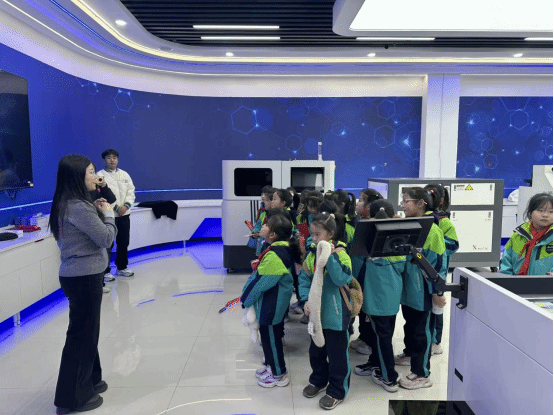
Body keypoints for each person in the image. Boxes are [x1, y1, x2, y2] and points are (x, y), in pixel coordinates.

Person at [49, 154, 117, 414]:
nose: (95, 176)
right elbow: (106, 239)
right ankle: (71, 399)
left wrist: (97, 210)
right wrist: (108, 215)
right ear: (77, 176)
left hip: (80, 276)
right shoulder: (78, 206)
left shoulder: (69, 202)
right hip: (83, 277)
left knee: (88, 333)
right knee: (81, 336)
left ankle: (90, 381)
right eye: (90, 172)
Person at [299, 212, 353, 410]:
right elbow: (304, 280)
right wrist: (305, 300)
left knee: (337, 355)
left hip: (336, 315)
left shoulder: (341, 254)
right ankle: (319, 380)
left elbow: (342, 279)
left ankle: (337, 390)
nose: (313, 239)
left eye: (318, 234)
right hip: (316, 315)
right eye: (312, 234)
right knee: (316, 351)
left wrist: (329, 257)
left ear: (330, 234)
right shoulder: (311, 255)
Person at [240, 214, 302, 388]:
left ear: (272, 234)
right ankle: (270, 366)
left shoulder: (275, 256)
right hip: (273, 302)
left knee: (271, 339)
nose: (263, 226)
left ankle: (278, 373)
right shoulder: (277, 249)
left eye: (266, 225)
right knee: (267, 336)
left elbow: (261, 282)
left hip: (273, 304)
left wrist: (245, 299)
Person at [395, 187, 447, 390]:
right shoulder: (409, 225)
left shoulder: (432, 231)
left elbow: (438, 265)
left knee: (422, 332)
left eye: (407, 201)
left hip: (423, 290)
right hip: (408, 289)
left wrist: (438, 292)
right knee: (410, 325)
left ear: (420, 204)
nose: (403, 205)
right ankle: (409, 355)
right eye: (403, 201)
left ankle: (422, 373)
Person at [355, 200, 406, 393]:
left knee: (383, 337)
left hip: (380, 299)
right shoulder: (400, 239)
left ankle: (389, 377)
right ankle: (375, 363)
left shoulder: (376, 242)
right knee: (381, 335)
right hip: (388, 297)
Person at [424, 184, 459, 356]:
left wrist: (436, 241)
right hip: (424, 270)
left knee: (437, 308)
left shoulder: (444, 221)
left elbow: (453, 245)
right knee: (427, 308)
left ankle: (435, 342)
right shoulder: (423, 219)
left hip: (438, 270)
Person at [350, 188, 384, 355]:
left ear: (369, 207)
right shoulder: (360, 221)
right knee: (362, 307)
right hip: (359, 272)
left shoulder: (370, 225)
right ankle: (363, 337)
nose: (357, 203)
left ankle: (369, 341)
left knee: (367, 310)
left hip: (368, 275)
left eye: (361, 200)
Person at [97, 149, 136, 278]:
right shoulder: (99, 175)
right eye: (109, 157)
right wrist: (116, 208)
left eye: (114, 157)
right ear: (104, 160)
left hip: (124, 215)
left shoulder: (125, 174)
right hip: (109, 215)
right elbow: (101, 194)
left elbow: (131, 192)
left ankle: (122, 267)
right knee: (108, 244)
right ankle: (105, 271)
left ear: (118, 160)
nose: (112, 160)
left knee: (123, 242)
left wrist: (126, 206)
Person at [500, 192, 553, 275]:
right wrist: (508, 281)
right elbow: (505, 266)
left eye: (551, 212)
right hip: (516, 283)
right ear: (530, 212)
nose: (545, 215)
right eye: (540, 210)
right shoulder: (517, 236)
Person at [89, 169, 117, 293]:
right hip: (93, 223)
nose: (95, 177)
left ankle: (103, 277)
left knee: (107, 248)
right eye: (90, 173)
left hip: (103, 221)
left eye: (93, 173)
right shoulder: (85, 190)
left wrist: (104, 186)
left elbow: (112, 199)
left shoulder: (99, 187)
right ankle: (98, 284)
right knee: (97, 253)